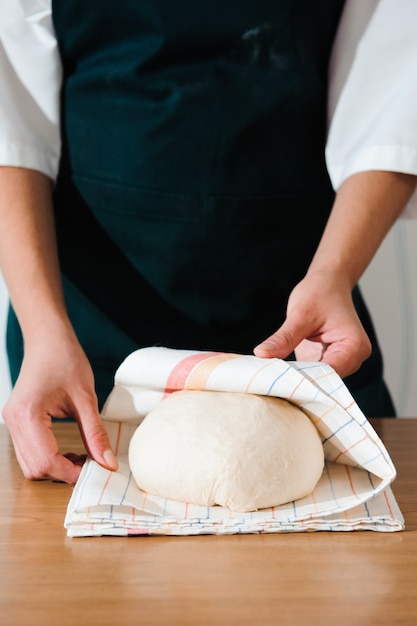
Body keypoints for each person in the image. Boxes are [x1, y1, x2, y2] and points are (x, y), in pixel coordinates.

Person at [0, 0, 416, 484]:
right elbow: (12, 124)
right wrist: (43, 329)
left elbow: (393, 104)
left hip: (300, 319)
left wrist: (334, 274)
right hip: (82, 331)